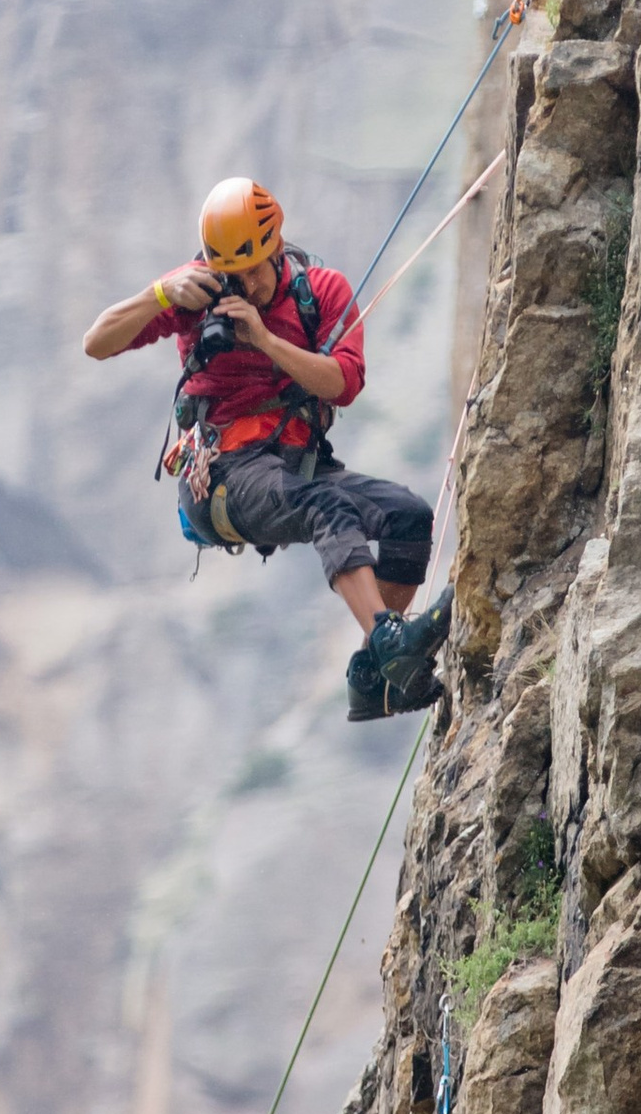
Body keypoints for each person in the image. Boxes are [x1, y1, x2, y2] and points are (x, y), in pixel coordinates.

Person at [82, 177, 449, 720]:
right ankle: (389, 641)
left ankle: (374, 680)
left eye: (255, 267)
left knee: (409, 517)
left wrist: (264, 340)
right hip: (220, 478)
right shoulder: (194, 292)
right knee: (323, 506)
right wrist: (160, 294)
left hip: (295, 465)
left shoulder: (320, 292)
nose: (246, 283)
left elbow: (343, 383)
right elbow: (96, 342)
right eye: (233, 272)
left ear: (277, 245)